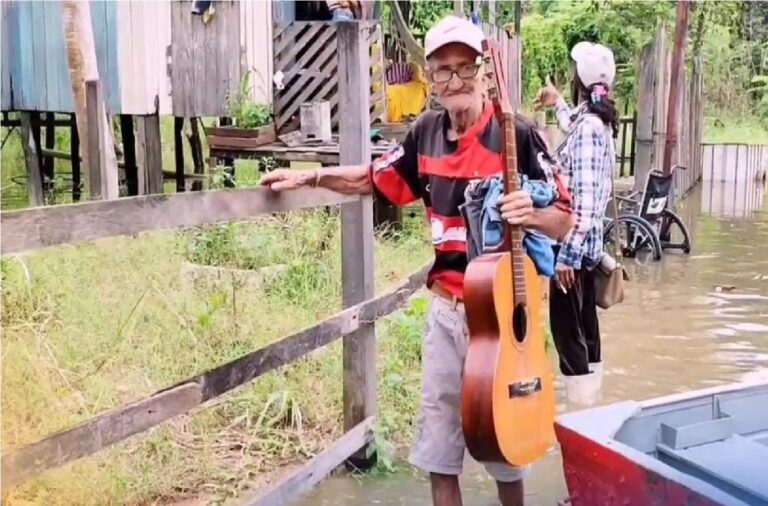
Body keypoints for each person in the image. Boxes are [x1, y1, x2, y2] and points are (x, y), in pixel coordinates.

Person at [261, 15, 573, 506]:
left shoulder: (520, 137)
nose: (455, 81)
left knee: (507, 448)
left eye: (465, 68)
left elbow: (564, 218)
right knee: (438, 452)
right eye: (443, 70)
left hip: (506, 309)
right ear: (430, 79)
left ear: (483, 72)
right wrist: (310, 179)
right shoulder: (425, 133)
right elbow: (373, 178)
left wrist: (531, 212)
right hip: (448, 311)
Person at [534, 41, 619, 408]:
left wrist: (565, 257)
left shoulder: (588, 130)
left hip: (573, 248)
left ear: (578, 82)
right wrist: (558, 104)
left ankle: (579, 413)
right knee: (586, 326)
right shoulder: (598, 123)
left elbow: (581, 203)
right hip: (590, 247)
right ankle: (592, 404)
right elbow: (574, 125)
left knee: (568, 332)